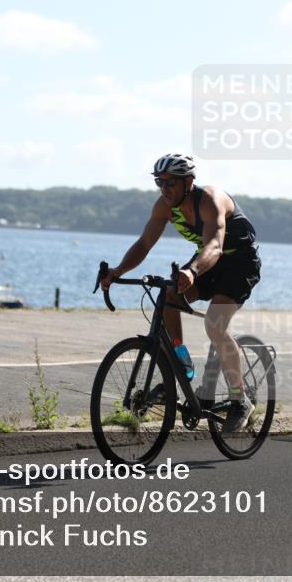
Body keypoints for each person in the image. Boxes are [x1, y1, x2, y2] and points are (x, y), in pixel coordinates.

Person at [100, 153, 262, 432]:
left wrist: (192, 271)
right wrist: (118, 271)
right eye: (159, 182)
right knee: (169, 298)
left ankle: (240, 399)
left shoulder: (210, 200)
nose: (165, 189)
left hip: (238, 264)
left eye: (170, 182)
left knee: (215, 325)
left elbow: (214, 246)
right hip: (206, 262)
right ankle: (180, 367)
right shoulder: (164, 206)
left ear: (189, 181)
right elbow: (144, 243)